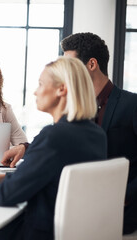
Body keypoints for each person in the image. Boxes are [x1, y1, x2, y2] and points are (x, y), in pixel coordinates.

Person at [0, 57, 107, 240]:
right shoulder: (97, 134)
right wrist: (4, 178)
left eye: (41, 84)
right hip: (73, 231)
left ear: (61, 89)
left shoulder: (54, 136)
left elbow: (7, 195)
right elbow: (55, 179)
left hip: (39, 231)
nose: (35, 92)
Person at [61, 32, 137, 235]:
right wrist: (24, 148)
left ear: (91, 64)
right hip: (76, 207)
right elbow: (57, 142)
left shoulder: (133, 104)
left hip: (123, 212)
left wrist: (124, 196)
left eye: (71, 66)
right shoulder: (72, 107)